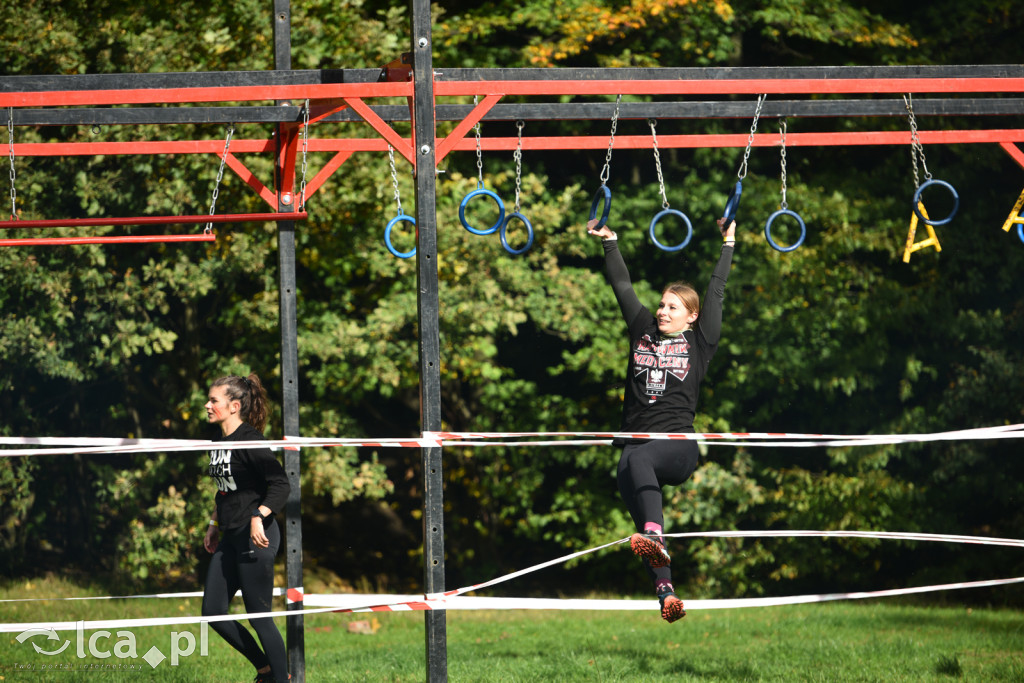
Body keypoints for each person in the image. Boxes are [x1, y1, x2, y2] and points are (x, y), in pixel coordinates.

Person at [587, 216, 736, 623]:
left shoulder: (700, 340)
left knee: (638, 463)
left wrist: (728, 243)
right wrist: (611, 242)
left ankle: (654, 534)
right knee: (633, 486)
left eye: (673, 307)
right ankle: (666, 592)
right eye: (661, 304)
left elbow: (717, 292)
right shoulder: (642, 330)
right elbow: (622, 286)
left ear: (691, 316)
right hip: (636, 449)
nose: (662, 310)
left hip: (676, 448)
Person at [201, 374, 291, 682]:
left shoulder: (250, 439)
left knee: (259, 616)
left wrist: (258, 515)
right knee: (213, 612)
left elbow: (280, 485)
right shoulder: (218, 442)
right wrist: (214, 525)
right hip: (229, 534)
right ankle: (265, 670)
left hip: (258, 535)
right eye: (209, 400)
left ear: (234, 405)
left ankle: (282, 679)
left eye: (214, 400)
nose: (207, 405)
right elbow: (224, 489)